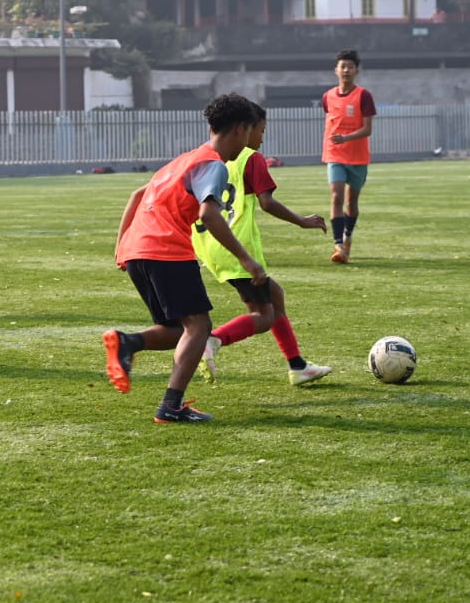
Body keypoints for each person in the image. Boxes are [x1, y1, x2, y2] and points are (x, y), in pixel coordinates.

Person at [103, 93, 267, 423]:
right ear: (239, 129)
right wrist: (247, 260)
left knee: (178, 329)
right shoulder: (215, 165)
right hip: (166, 249)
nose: (251, 141)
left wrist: (122, 246)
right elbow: (209, 214)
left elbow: (137, 195)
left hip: (138, 250)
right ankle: (171, 406)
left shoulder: (185, 159)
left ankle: (127, 342)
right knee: (200, 326)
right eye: (251, 132)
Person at [192, 103, 333, 387]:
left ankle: (297, 366)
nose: (262, 139)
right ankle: (211, 341)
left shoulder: (209, 154)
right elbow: (267, 203)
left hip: (207, 243)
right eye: (261, 131)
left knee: (275, 295)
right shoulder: (250, 157)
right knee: (263, 315)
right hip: (236, 245)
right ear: (246, 128)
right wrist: (302, 221)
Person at [321, 49, 376, 263]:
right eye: (342, 66)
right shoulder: (328, 96)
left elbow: (367, 129)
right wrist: (338, 141)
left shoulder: (363, 96)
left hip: (358, 157)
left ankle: (347, 237)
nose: (346, 70)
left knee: (351, 202)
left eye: (350, 67)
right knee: (336, 196)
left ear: (356, 71)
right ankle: (338, 245)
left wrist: (346, 138)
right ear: (336, 70)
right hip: (334, 154)